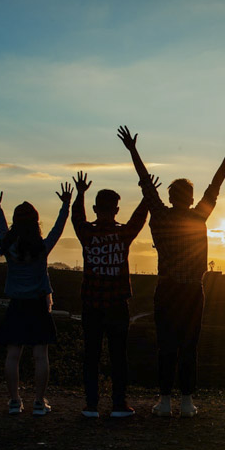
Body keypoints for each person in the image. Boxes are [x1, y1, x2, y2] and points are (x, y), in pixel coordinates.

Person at [118, 125, 225, 417]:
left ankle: (164, 401)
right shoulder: (199, 215)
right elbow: (216, 185)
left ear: (171, 195)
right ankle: (187, 401)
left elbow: (145, 184)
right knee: (190, 345)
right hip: (192, 291)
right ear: (190, 198)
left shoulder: (161, 216)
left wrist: (133, 150)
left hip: (167, 289)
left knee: (166, 344)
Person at [71, 171, 160, 419]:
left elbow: (76, 218)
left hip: (91, 304)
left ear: (95, 208)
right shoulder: (122, 234)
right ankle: (119, 404)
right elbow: (139, 219)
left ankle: (91, 405)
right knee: (118, 356)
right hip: (117, 305)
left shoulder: (87, 234)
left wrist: (79, 193)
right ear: (117, 209)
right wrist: (147, 195)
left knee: (91, 355)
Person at [0, 182, 72, 416]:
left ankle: (14, 401)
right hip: (38, 305)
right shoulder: (42, 247)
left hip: (16, 305)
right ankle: (39, 402)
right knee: (40, 356)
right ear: (36, 223)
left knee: (13, 355)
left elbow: (1, 225)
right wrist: (66, 205)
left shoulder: (9, 247)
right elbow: (58, 228)